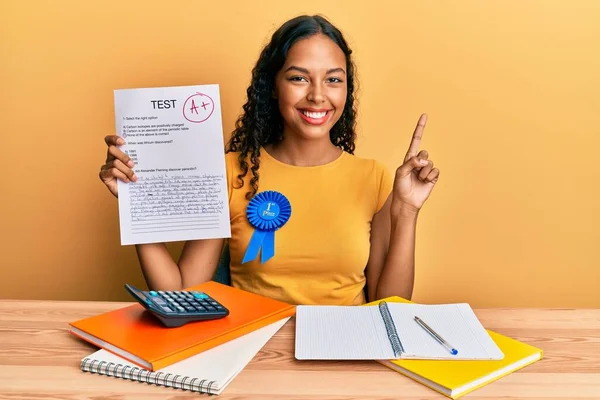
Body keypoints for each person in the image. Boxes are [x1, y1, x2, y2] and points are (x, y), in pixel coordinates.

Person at [99, 15, 439, 306]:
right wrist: (136, 203)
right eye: (298, 78)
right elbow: (179, 293)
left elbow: (390, 307)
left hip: (344, 358)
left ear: (346, 90)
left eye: (333, 79)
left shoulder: (375, 178)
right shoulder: (230, 171)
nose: (318, 95)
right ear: (273, 86)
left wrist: (406, 211)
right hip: (254, 354)